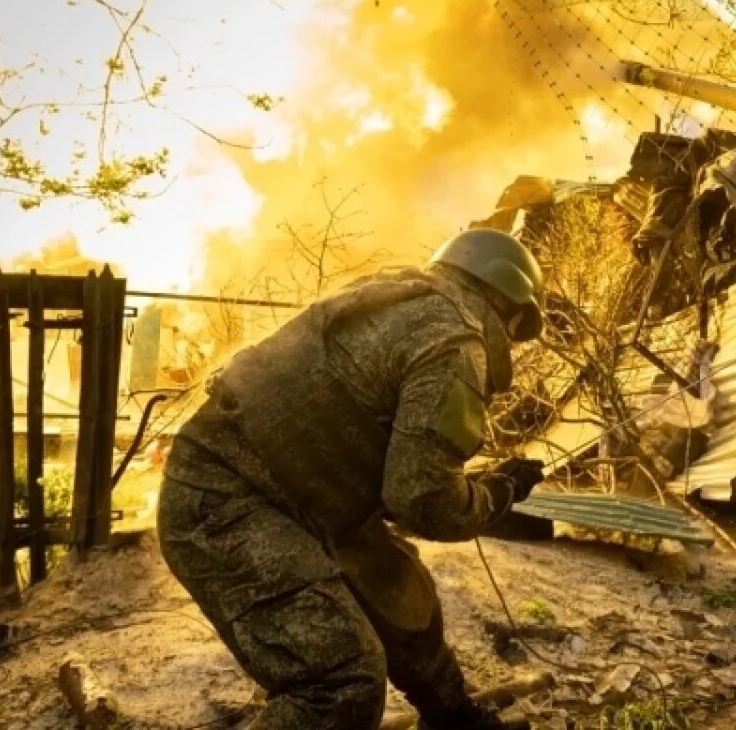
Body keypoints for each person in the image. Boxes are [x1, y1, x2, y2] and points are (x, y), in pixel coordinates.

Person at [156, 228, 549, 730]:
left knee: (400, 592)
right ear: (507, 303)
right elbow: (422, 499)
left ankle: (455, 719)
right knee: (341, 683)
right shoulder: (455, 339)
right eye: (517, 326)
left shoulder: (395, 296)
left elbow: (383, 461)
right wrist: (499, 493)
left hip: (292, 495)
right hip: (228, 503)